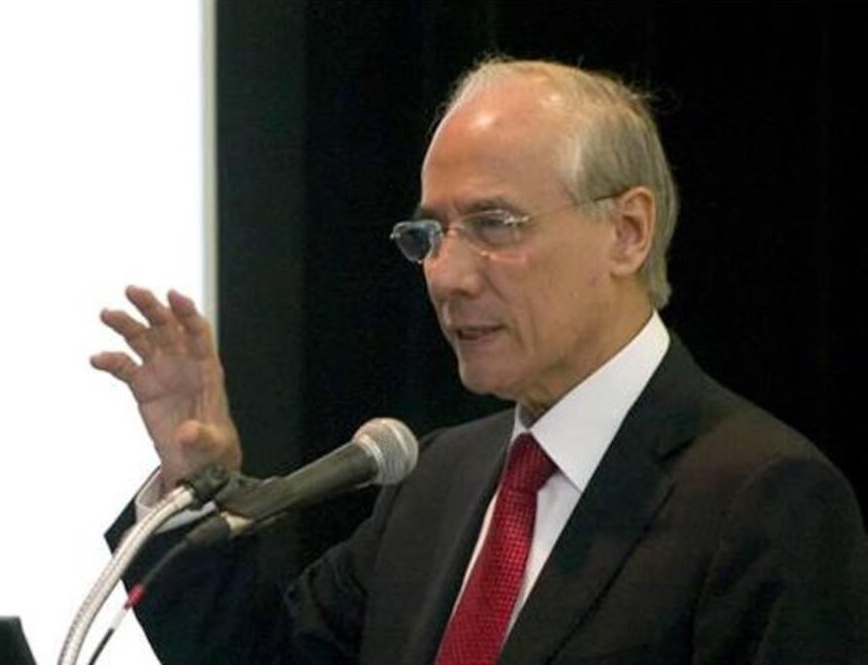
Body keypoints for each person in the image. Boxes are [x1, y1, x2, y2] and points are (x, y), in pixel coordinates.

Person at [91, 57, 868, 664]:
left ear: (627, 232)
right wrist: (194, 485)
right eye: (430, 235)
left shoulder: (762, 497)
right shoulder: (433, 480)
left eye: (495, 224)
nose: (448, 276)